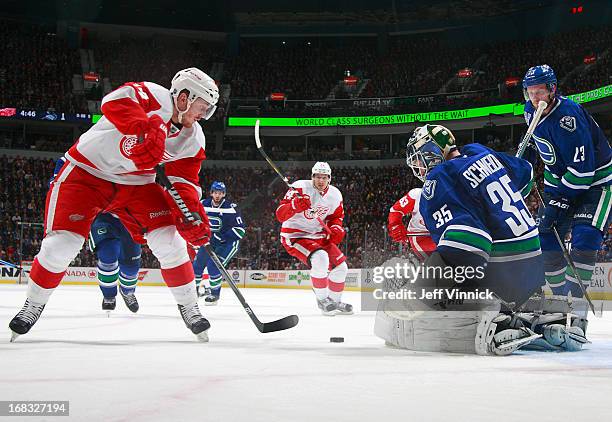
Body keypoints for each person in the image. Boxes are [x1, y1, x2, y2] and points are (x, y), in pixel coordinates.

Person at [9, 67, 218, 342]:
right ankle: (33, 305)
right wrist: (145, 128)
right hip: (86, 173)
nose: (204, 115)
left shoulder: (193, 138)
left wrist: (192, 215)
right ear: (184, 98)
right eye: (202, 107)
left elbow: (185, 182)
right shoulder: (153, 95)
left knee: (170, 240)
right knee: (62, 245)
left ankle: (190, 308)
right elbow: (113, 102)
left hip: (138, 184)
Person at [375, 124, 587, 355]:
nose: (418, 166)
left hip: (497, 276)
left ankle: (493, 327)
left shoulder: (439, 179)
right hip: (532, 272)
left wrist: (421, 293)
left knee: (424, 306)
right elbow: (525, 176)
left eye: (419, 158)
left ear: (431, 151)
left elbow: (468, 244)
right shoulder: (480, 152)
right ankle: (541, 323)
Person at [522, 64, 612, 298]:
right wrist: (527, 158)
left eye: (539, 92)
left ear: (552, 90)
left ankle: (576, 302)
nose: (534, 98)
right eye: (530, 92)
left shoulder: (568, 118)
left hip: (596, 184)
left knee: (585, 238)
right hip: (560, 181)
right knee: (546, 239)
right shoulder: (530, 110)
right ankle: (561, 299)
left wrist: (560, 199)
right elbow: (535, 137)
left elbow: (583, 171)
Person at [276, 162, 353, 315]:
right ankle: (323, 300)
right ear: (312, 177)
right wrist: (294, 205)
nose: (320, 180)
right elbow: (280, 214)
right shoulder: (299, 188)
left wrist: (336, 228)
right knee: (321, 258)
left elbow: (336, 217)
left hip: (318, 236)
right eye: (317, 177)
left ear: (329, 178)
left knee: (341, 268)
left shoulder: (335, 194)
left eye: (324, 177)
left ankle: (335, 302)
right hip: (295, 236)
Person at [193, 181, 245, 305]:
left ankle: (214, 295)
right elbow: (195, 219)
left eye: (220, 193)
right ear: (211, 193)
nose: (217, 195)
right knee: (197, 266)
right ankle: (192, 292)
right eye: (215, 192)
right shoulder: (203, 204)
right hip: (209, 242)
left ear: (224, 194)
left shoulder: (231, 207)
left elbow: (240, 230)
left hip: (227, 244)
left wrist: (223, 237)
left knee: (213, 266)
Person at [89, 213, 142, 313]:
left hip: (131, 217)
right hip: (105, 215)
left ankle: (127, 292)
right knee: (107, 256)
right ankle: (109, 295)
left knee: (131, 268)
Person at [387, 188, 436, 261]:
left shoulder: (452, 192)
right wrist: (395, 225)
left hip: (442, 234)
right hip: (421, 236)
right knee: (438, 262)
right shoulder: (417, 194)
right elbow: (395, 210)